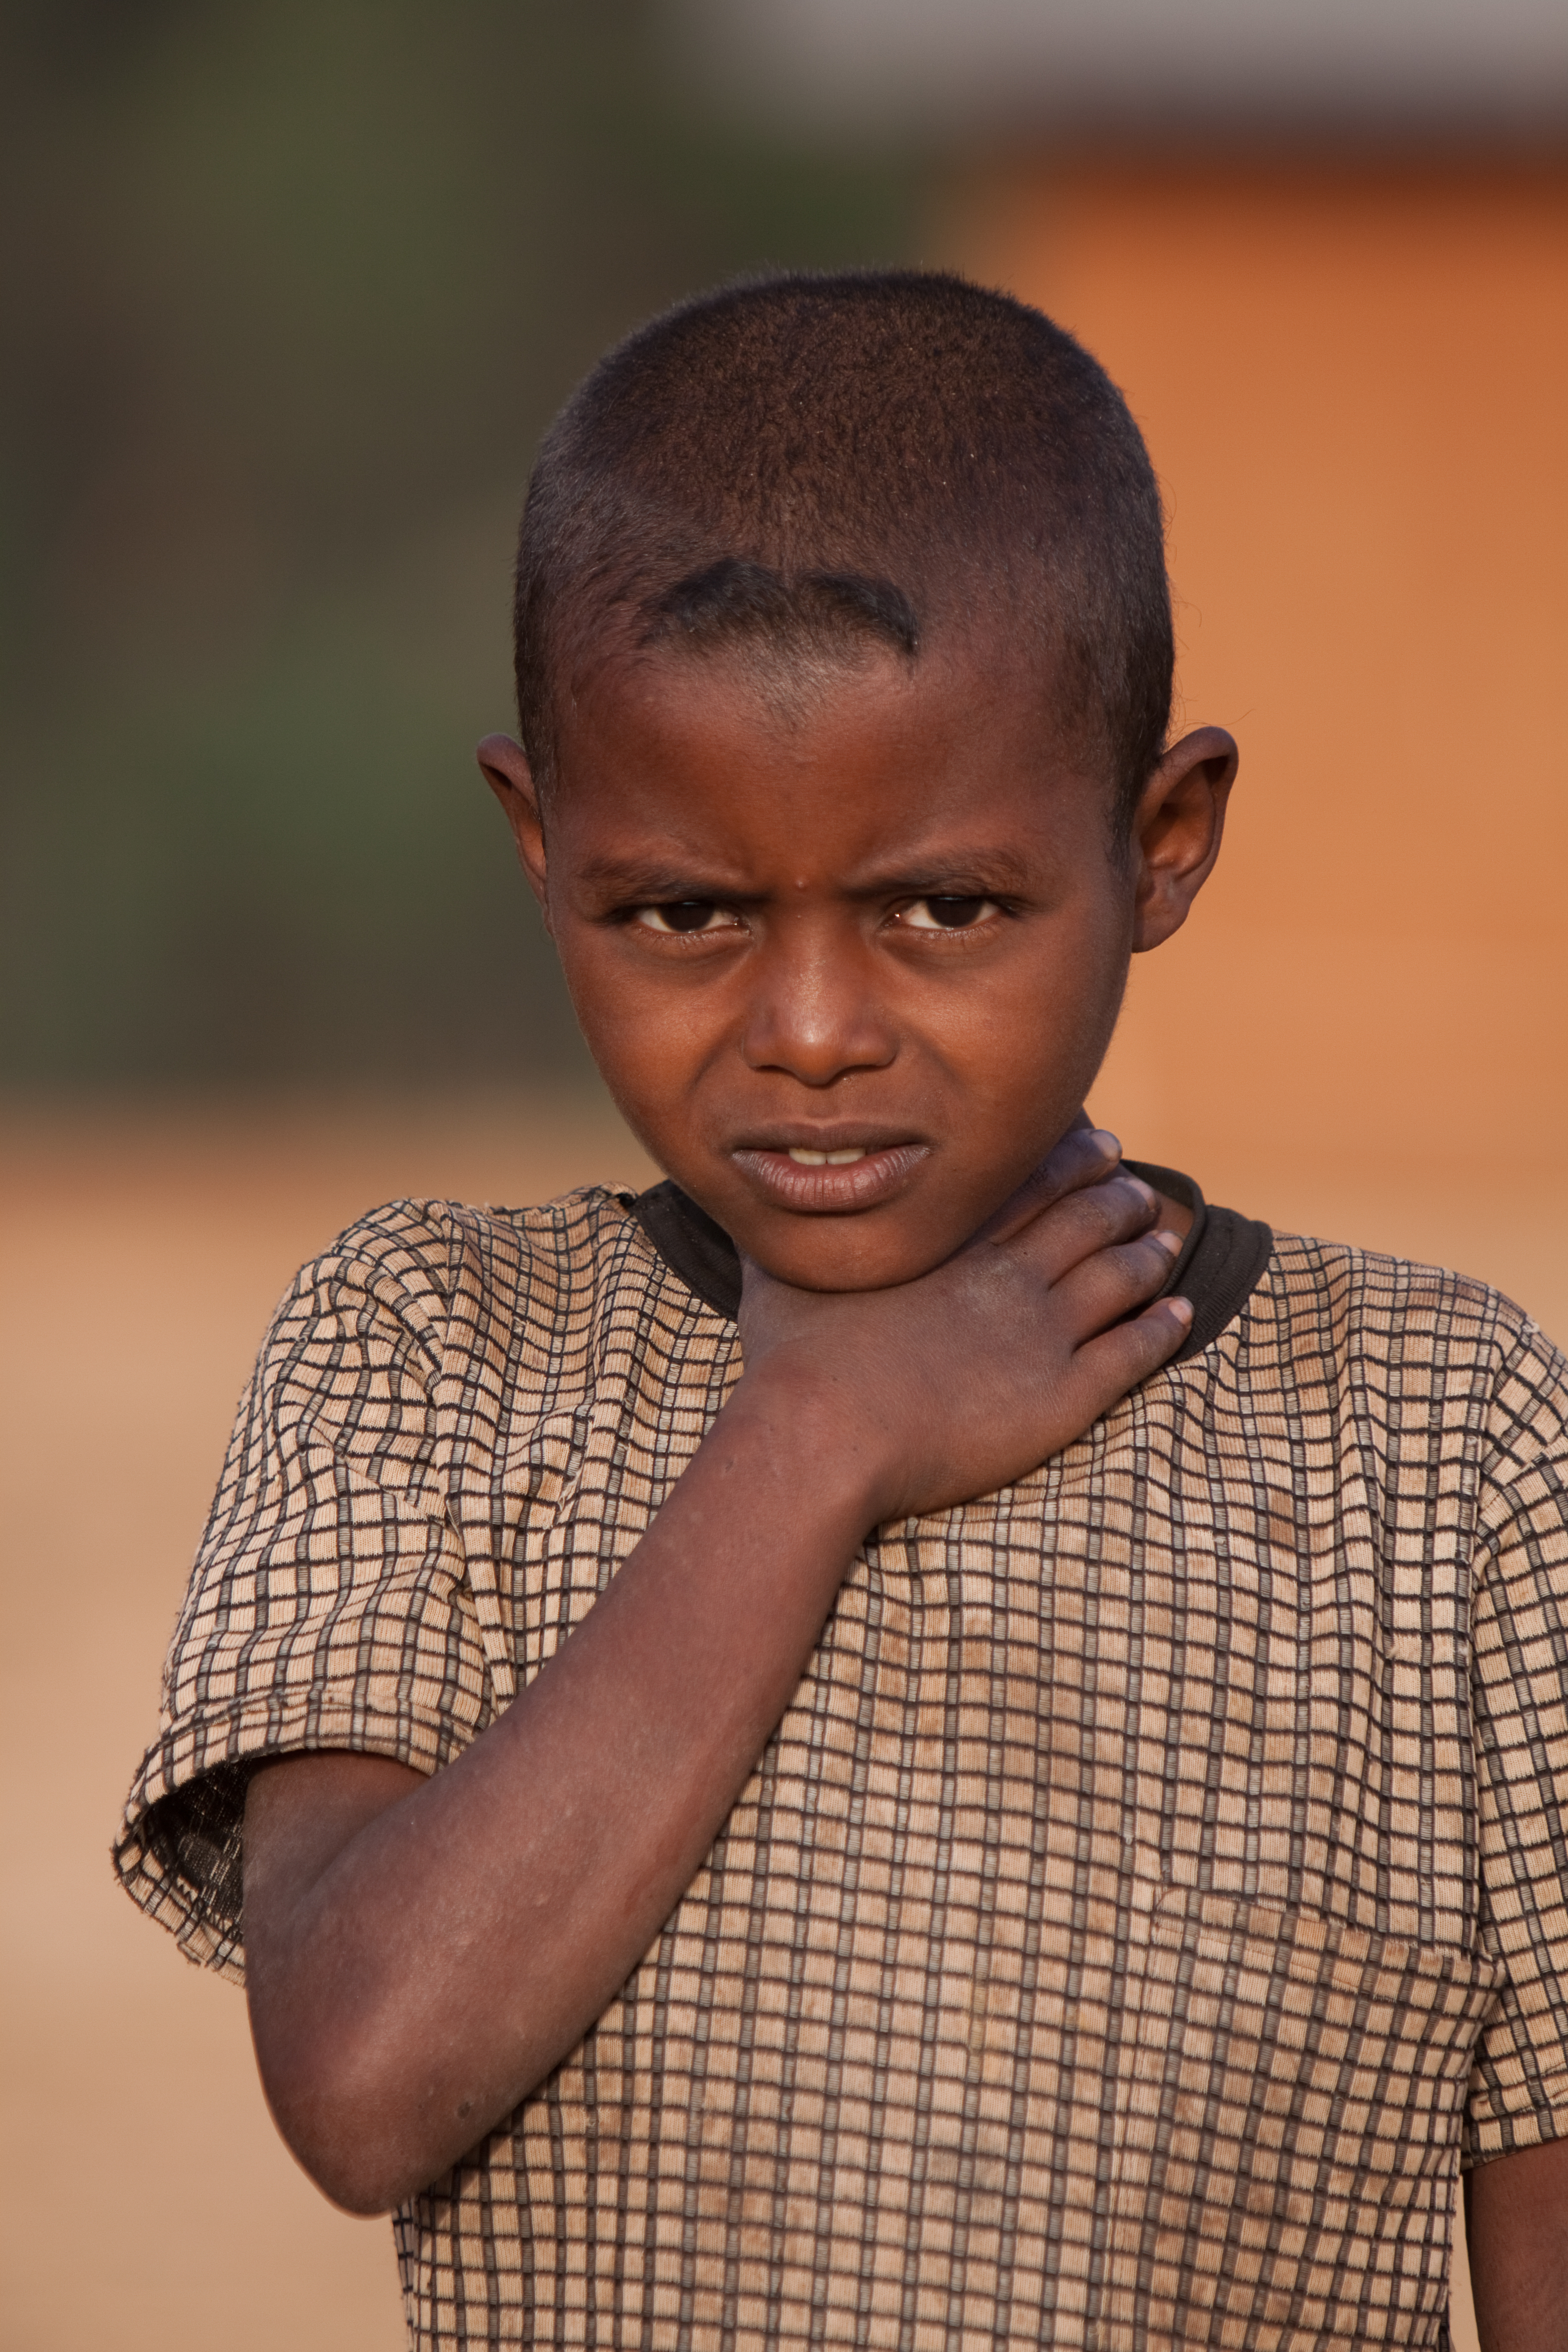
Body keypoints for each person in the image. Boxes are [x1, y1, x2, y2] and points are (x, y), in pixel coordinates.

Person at [115, 271, 1568, 2351]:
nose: (807, 1034)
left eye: (945, 910)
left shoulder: (1448, 1444)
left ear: (1160, 842)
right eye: (683, 914)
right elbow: (361, 2079)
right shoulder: (432, 1346)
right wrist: (806, 1446)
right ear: (544, 846)